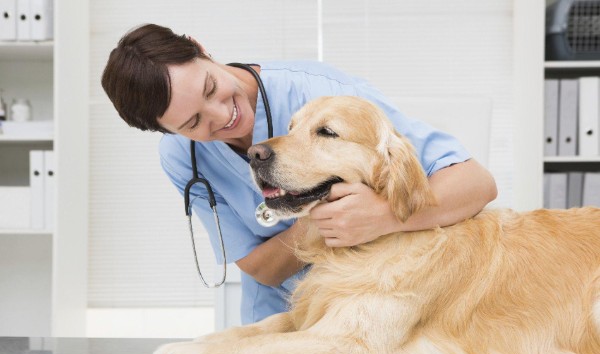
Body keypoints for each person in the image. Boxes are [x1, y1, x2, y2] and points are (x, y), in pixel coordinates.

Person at [101, 23, 497, 325]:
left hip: (375, 306)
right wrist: (319, 220)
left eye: (210, 88)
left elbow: (477, 184)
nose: (224, 116)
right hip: (279, 318)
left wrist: (382, 215)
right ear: (168, 132)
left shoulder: (319, 91)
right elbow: (259, 267)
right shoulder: (181, 158)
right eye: (193, 122)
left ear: (202, 51)